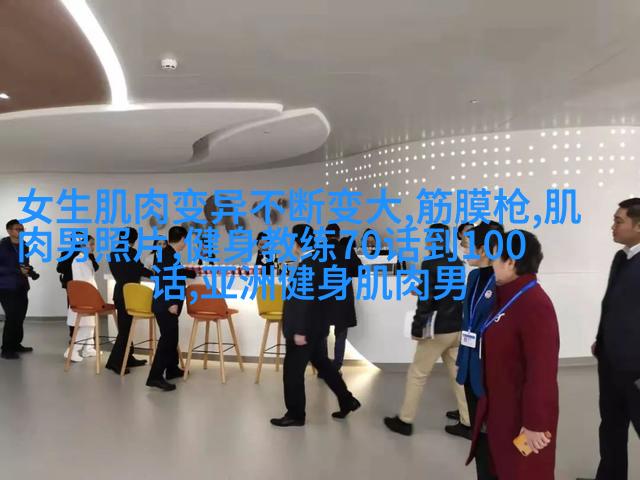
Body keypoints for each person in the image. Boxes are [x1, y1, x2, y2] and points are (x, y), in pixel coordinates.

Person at [467, 230, 559, 480]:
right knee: (499, 466)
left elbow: (542, 371)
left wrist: (535, 423)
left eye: (495, 257)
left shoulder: (534, 303)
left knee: (521, 471)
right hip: (500, 407)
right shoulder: (506, 296)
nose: (491, 263)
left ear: (511, 262)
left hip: (520, 415)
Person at [384, 223, 471, 438]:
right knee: (458, 376)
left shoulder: (430, 263)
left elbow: (426, 302)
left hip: (437, 330)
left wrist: (417, 327)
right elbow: (449, 292)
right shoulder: (457, 262)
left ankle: (405, 420)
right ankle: (468, 421)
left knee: (417, 374)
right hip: (456, 328)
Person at [270, 224, 361, 427]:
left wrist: (299, 331)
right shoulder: (319, 261)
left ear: (297, 243)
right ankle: (347, 400)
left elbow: (304, 301)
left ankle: (295, 414)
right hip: (318, 327)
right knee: (325, 367)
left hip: (305, 330)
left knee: (292, 372)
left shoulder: (308, 266)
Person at [582, 198, 640, 480]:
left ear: (639, 226)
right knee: (611, 426)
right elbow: (611, 305)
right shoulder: (622, 257)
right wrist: (600, 339)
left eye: (619, 221)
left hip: (636, 368)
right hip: (610, 361)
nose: (613, 226)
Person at [454, 221, 504, 480]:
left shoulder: (502, 281)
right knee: (479, 437)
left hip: (491, 371)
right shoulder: (473, 277)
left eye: (468, 244)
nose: (464, 249)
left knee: (495, 436)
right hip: (470, 367)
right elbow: (468, 321)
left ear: (483, 249)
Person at [146, 226, 196, 391]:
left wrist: (190, 272)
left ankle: (172, 369)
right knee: (167, 340)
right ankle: (154, 377)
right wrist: (171, 303)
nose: (186, 244)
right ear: (182, 239)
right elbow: (164, 280)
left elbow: (175, 273)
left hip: (165, 303)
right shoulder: (167, 255)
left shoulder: (168, 254)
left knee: (172, 338)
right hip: (165, 304)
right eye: (185, 240)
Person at [105, 227, 153, 375]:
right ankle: (115, 362)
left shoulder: (113, 253)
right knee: (125, 330)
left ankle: (128, 357)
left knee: (124, 328)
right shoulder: (131, 252)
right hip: (130, 296)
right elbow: (140, 270)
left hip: (119, 294)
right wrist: (155, 273)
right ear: (134, 240)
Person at [322, 223, 361, 372]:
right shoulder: (347, 250)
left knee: (322, 334)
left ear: (326, 236)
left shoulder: (319, 251)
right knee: (340, 333)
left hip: (323, 298)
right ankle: (336, 367)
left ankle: (324, 367)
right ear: (338, 235)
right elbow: (359, 270)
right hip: (342, 298)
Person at [0, 219, 37, 359]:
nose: (21, 232)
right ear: (9, 231)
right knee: (11, 317)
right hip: (6, 287)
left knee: (20, 317)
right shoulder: (2, 246)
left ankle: (16, 344)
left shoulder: (24, 246)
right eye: (18, 229)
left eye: (22, 229)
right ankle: (6, 349)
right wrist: (17, 270)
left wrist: (31, 272)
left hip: (21, 286)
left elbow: (24, 264)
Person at [64, 236, 98, 363]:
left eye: (93, 244)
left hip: (89, 295)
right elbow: (82, 282)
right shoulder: (78, 260)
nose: (93, 246)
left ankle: (88, 348)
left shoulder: (87, 259)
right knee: (87, 325)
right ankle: (72, 351)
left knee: (91, 323)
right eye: (91, 244)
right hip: (85, 297)